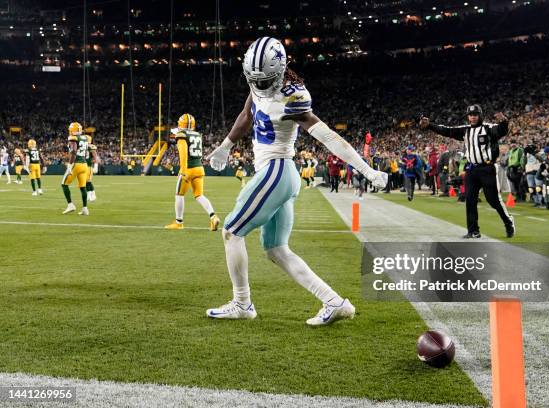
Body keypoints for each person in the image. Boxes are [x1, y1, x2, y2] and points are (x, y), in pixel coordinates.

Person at [205, 37, 387, 326]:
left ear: (281, 70)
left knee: (231, 232)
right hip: (278, 174)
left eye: (265, 81)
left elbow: (328, 136)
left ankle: (242, 303)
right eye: (256, 80)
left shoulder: (294, 97)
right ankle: (334, 302)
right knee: (276, 250)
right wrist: (226, 145)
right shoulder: (259, 83)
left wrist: (366, 170)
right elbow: (246, 115)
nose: (260, 86)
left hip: (277, 170)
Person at [420, 105, 515, 238]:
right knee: (470, 199)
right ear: (468, 116)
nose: (473, 117)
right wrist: (430, 125)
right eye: (470, 115)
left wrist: (504, 122)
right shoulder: (465, 130)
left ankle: (508, 222)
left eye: (475, 114)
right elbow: (447, 130)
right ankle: (473, 231)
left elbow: (501, 131)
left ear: (480, 115)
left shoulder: (488, 128)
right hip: (472, 169)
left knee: (493, 200)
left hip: (487, 168)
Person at [164, 113, 221, 231]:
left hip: (188, 169)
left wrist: (183, 170)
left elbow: (183, 153)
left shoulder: (181, 135)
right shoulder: (197, 134)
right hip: (199, 168)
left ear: (181, 123)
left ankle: (179, 222)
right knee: (199, 195)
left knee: (179, 195)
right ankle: (213, 217)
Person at [61, 122, 90, 215]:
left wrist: (69, 165)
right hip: (84, 165)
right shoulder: (85, 138)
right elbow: (86, 153)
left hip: (76, 164)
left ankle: (70, 205)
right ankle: (85, 208)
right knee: (83, 187)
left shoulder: (73, 137)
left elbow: (73, 151)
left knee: (64, 184)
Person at [85, 132, 100, 202]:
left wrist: (96, 165)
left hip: (88, 166)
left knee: (88, 182)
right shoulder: (83, 147)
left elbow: (95, 156)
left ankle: (92, 194)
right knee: (86, 182)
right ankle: (90, 194)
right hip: (84, 166)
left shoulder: (91, 147)